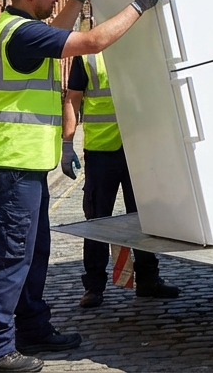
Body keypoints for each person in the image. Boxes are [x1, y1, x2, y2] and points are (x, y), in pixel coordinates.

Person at [0, 0, 169, 373]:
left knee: (33, 253)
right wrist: (140, 3)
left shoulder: (19, 27)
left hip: (24, 164)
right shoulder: (22, 33)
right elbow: (93, 41)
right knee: (10, 257)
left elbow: (61, 28)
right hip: (13, 164)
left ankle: (32, 329)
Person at [63, 49, 181, 308]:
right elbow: (72, 99)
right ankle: (94, 286)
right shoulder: (88, 55)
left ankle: (148, 279)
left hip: (139, 147)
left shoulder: (143, 46)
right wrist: (67, 145)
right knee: (97, 220)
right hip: (102, 150)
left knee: (145, 216)